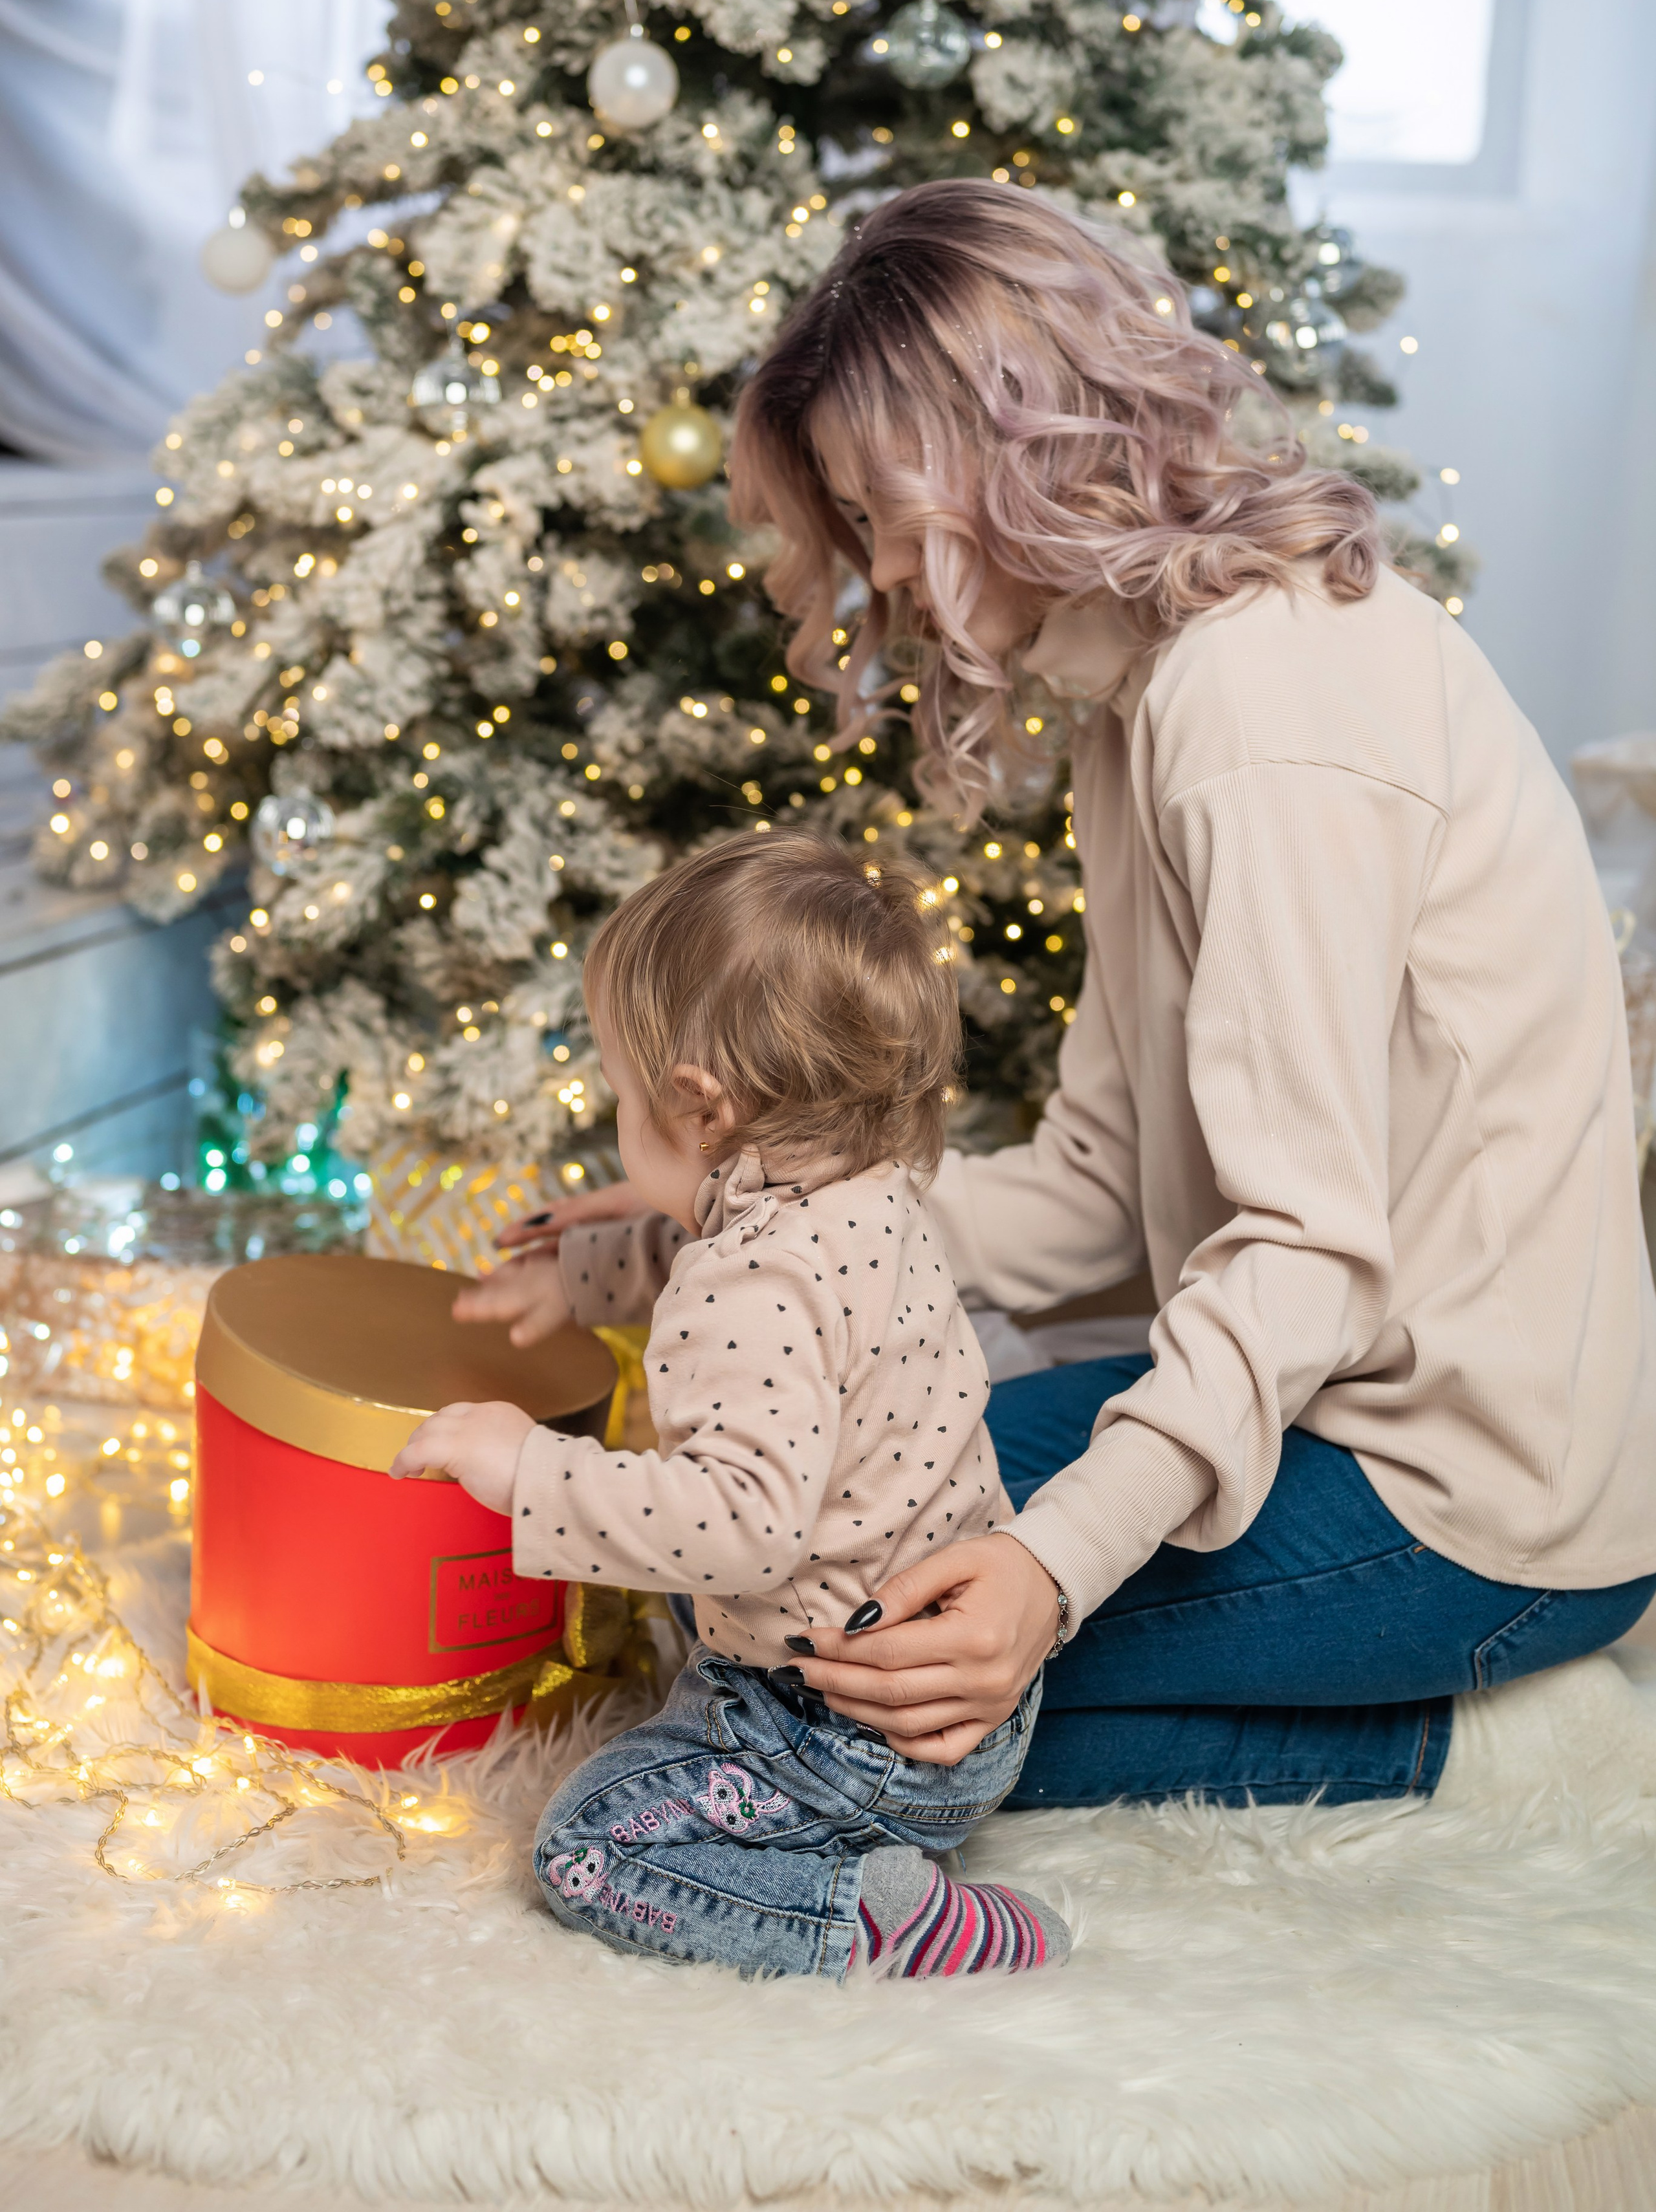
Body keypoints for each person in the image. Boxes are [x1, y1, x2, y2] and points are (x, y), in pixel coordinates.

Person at [508, 179, 1656, 1812]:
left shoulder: (1262, 709)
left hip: (1468, 1497)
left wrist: (1048, 1570)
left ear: (1000, 444)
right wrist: (722, 1221)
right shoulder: (1153, 693)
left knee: (846, 1692)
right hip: (1340, 1419)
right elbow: (1091, 1197)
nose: (886, 576)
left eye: (881, 509)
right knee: (798, 1579)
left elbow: (1305, 1255)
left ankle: (1483, 1748)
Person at [389, 829, 1070, 1980]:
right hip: (967, 1698)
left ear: (699, 1108)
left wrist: (526, 1470)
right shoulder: (871, 1194)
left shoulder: (745, 1287)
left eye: (618, 1092)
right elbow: (715, 1236)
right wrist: (579, 1276)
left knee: (588, 1847)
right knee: (662, 1628)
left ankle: (873, 1913)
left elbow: (744, 1528)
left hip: (848, 1742)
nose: (614, 1118)